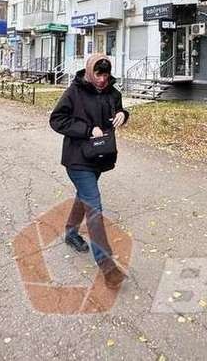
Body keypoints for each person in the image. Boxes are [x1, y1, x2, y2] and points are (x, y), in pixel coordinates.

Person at [49, 53, 129, 289]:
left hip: (99, 157)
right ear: (89, 71)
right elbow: (57, 119)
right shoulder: (74, 91)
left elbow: (118, 110)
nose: (102, 79)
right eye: (98, 74)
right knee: (93, 205)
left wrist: (123, 115)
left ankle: (71, 232)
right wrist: (87, 129)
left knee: (84, 196)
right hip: (77, 159)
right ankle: (107, 265)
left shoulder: (112, 92)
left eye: (106, 74)